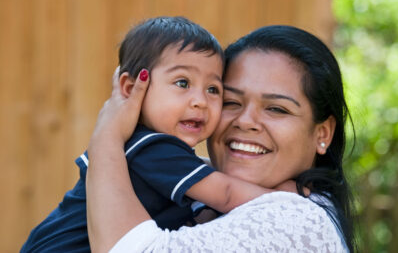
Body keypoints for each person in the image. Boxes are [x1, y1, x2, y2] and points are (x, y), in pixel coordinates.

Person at [21, 17, 288, 253]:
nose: (200, 101)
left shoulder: (150, 150)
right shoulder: (150, 147)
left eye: (214, 89)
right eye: (182, 83)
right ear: (131, 86)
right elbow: (227, 194)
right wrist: (290, 194)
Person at [86, 25, 356, 252]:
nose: (246, 121)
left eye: (276, 108)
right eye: (230, 101)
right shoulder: (189, 182)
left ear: (323, 133)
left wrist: (107, 135)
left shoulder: (296, 220)